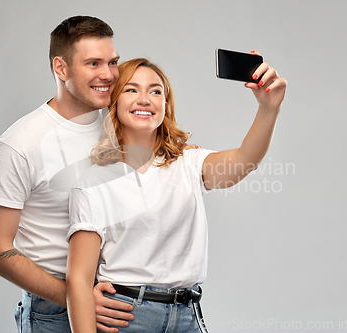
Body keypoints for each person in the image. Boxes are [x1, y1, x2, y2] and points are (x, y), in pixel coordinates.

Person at [66, 57, 287, 332]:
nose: (145, 99)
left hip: (187, 316)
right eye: (131, 89)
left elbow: (244, 161)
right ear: (113, 102)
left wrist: (268, 109)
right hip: (126, 317)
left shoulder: (188, 162)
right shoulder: (93, 181)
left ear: (165, 106)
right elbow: (78, 278)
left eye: (156, 91)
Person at [0, 16, 135, 333]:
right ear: (61, 69)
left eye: (113, 62)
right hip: (55, 309)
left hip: (120, 297)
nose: (108, 74)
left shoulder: (120, 123)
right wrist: (74, 297)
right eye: (93, 63)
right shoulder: (19, 145)